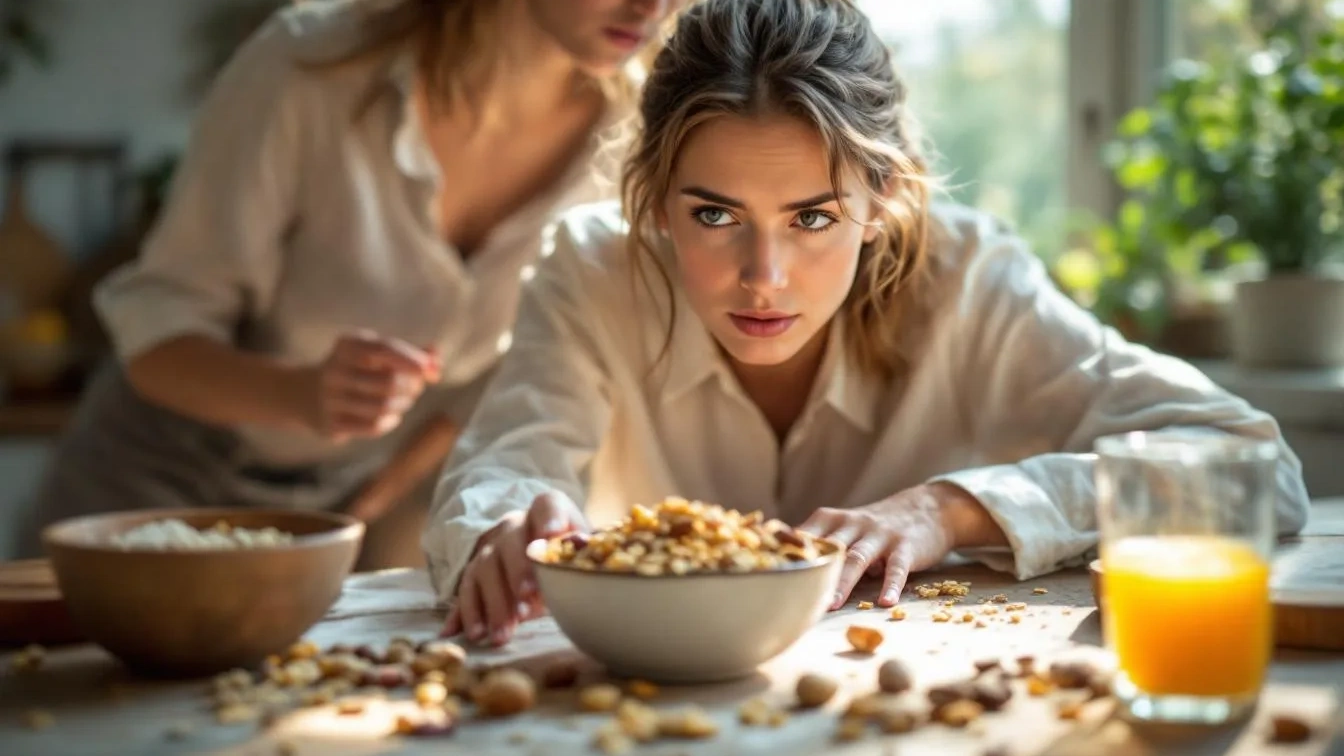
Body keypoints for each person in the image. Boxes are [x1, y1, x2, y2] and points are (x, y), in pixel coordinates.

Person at [423, 0, 1311, 647]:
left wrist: (951, 510)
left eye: (812, 219)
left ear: (882, 199)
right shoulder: (591, 269)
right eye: (714, 216)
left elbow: (1256, 466)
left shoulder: (971, 279)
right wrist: (502, 531)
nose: (763, 279)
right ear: (654, 202)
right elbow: (505, 468)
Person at [12, 0, 679, 568]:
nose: (654, 3)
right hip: (157, 479)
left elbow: (516, 366)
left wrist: (388, 496)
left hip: (361, 507)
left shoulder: (634, 137)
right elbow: (157, 334)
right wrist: (303, 394)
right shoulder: (308, 69)